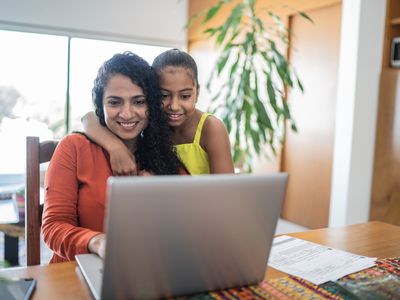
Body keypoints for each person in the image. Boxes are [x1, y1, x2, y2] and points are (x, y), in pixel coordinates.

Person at [42, 52, 183, 263]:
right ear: (101, 105)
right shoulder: (74, 148)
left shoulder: (162, 154)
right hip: (75, 274)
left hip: (143, 270)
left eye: (138, 101)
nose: (126, 114)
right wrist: (97, 242)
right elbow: (53, 227)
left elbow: (188, 223)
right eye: (115, 102)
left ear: (151, 106)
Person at [82, 49, 234, 175]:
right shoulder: (150, 123)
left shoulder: (211, 128)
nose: (174, 106)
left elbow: (227, 192)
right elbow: (89, 118)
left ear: (197, 92)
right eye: (164, 96)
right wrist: (115, 147)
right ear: (153, 94)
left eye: (185, 96)